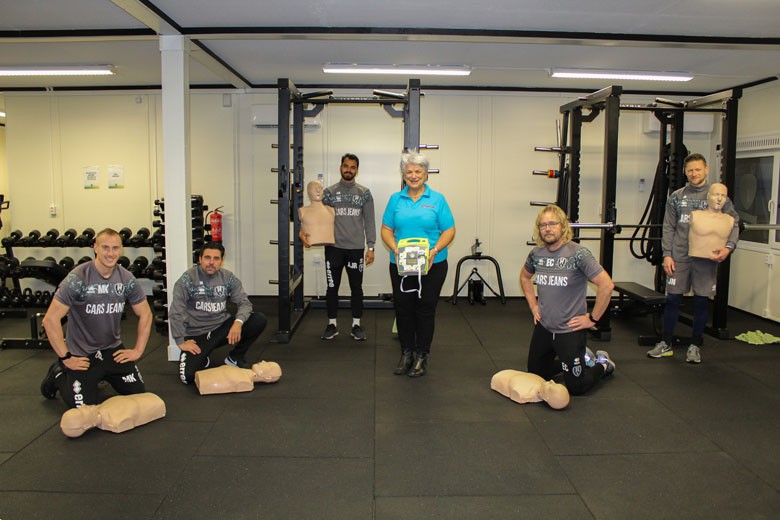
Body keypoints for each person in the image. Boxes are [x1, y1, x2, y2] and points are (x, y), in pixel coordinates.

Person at [40, 228, 153, 408]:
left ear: (121, 249)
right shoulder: (78, 279)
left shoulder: (126, 279)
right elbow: (50, 320)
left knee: (138, 395)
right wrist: (66, 357)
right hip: (82, 353)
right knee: (82, 407)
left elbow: (145, 313)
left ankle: (101, 375)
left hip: (112, 350)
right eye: (105, 248)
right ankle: (58, 375)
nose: (110, 253)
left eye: (115, 248)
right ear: (95, 248)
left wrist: (138, 351)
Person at [647, 154, 739, 364]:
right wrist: (667, 255)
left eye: (698, 169)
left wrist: (728, 248)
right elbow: (669, 227)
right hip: (679, 257)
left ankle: (695, 345)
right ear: (685, 172)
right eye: (690, 170)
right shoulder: (677, 197)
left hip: (706, 258)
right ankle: (666, 343)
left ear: (706, 170)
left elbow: (734, 223)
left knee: (700, 302)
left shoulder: (717, 194)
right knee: (672, 299)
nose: (694, 173)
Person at [519, 205, 616, 396]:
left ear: (563, 226)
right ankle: (579, 359)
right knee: (536, 375)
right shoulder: (536, 255)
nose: (547, 228)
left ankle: (602, 365)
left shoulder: (578, 254)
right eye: (543, 225)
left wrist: (592, 319)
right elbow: (524, 278)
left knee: (576, 387)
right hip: (545, 327)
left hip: (570, 329)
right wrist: (533, 306)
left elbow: (607, 285)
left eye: (552, 224)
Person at [381, 151, 456, 377]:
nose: (413, 176)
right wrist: (395, 248)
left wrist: (434, 250)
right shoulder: (396, 199)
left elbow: (449, 230)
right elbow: (386, 229)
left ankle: (422, 355)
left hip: (432, 265)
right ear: (404, 175)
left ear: (426, 174)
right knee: (403, 309)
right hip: (401, 265)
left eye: (418, 171)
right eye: (409, 172)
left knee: (425, 309)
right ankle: (406, 353)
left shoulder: (437, 200)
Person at [301, 153, 376, 341]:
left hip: (355, 249)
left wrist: (371, 247)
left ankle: (356, 325)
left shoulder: (364, 193)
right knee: (331, 287)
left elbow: (370, 221)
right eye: (345, 166)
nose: (348, 169)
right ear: (340, 167)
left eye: (352, 167)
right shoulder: (328, 193)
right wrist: (303, 232)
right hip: (334, 248)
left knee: (356, 288)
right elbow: (313, 215)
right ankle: (332, 324)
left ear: (357, 170)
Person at [169, 242, 267, 384]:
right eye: (207, 257)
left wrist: (238, 323)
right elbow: (176, 311)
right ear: (200, 259)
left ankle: (235, 357)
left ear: (221, 261)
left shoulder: (228, 277)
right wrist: (180, 340)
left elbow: (245, 303)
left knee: (258, 319)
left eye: (216, 259)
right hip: (198, 334)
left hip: (222, 329)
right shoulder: (187, 280)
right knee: (188, 377)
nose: (211, 262)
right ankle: (203, 359)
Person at [60, 392, 166, 438]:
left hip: (148, 398)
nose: (83, 406)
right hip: (154, 403)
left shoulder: (102, 407)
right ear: (86, 426)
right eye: (82, 412)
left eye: (79, 408)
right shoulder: (117, 421)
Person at [689, 183, 735, 259]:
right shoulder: (695, 215)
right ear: (708, 196)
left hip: (717, 260)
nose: (719, 199)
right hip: (695, 259)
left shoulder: (730, 220)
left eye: (723, 196)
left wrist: (729, 247)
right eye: (716, 195)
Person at [490, 369, 570, 410]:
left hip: (500, 377)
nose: (552, 381)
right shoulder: (541, 381)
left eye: (550, 387)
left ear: (546, 398)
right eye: (555, 383)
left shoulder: (522, 393)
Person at [195, 361, 282, 395]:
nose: (263, 361)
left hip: (203, 383)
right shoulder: (241, 371)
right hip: (201, 376)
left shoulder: (245, 382)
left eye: (268, 365)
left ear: (267, 377)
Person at [299, 180, 335, 246]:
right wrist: (300, 232)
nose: (318, 190)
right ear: (308, 192)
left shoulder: (331, 210)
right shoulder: (303, 211)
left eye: (320, 188)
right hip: (312, 240)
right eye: (313, 188)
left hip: (332, 243)